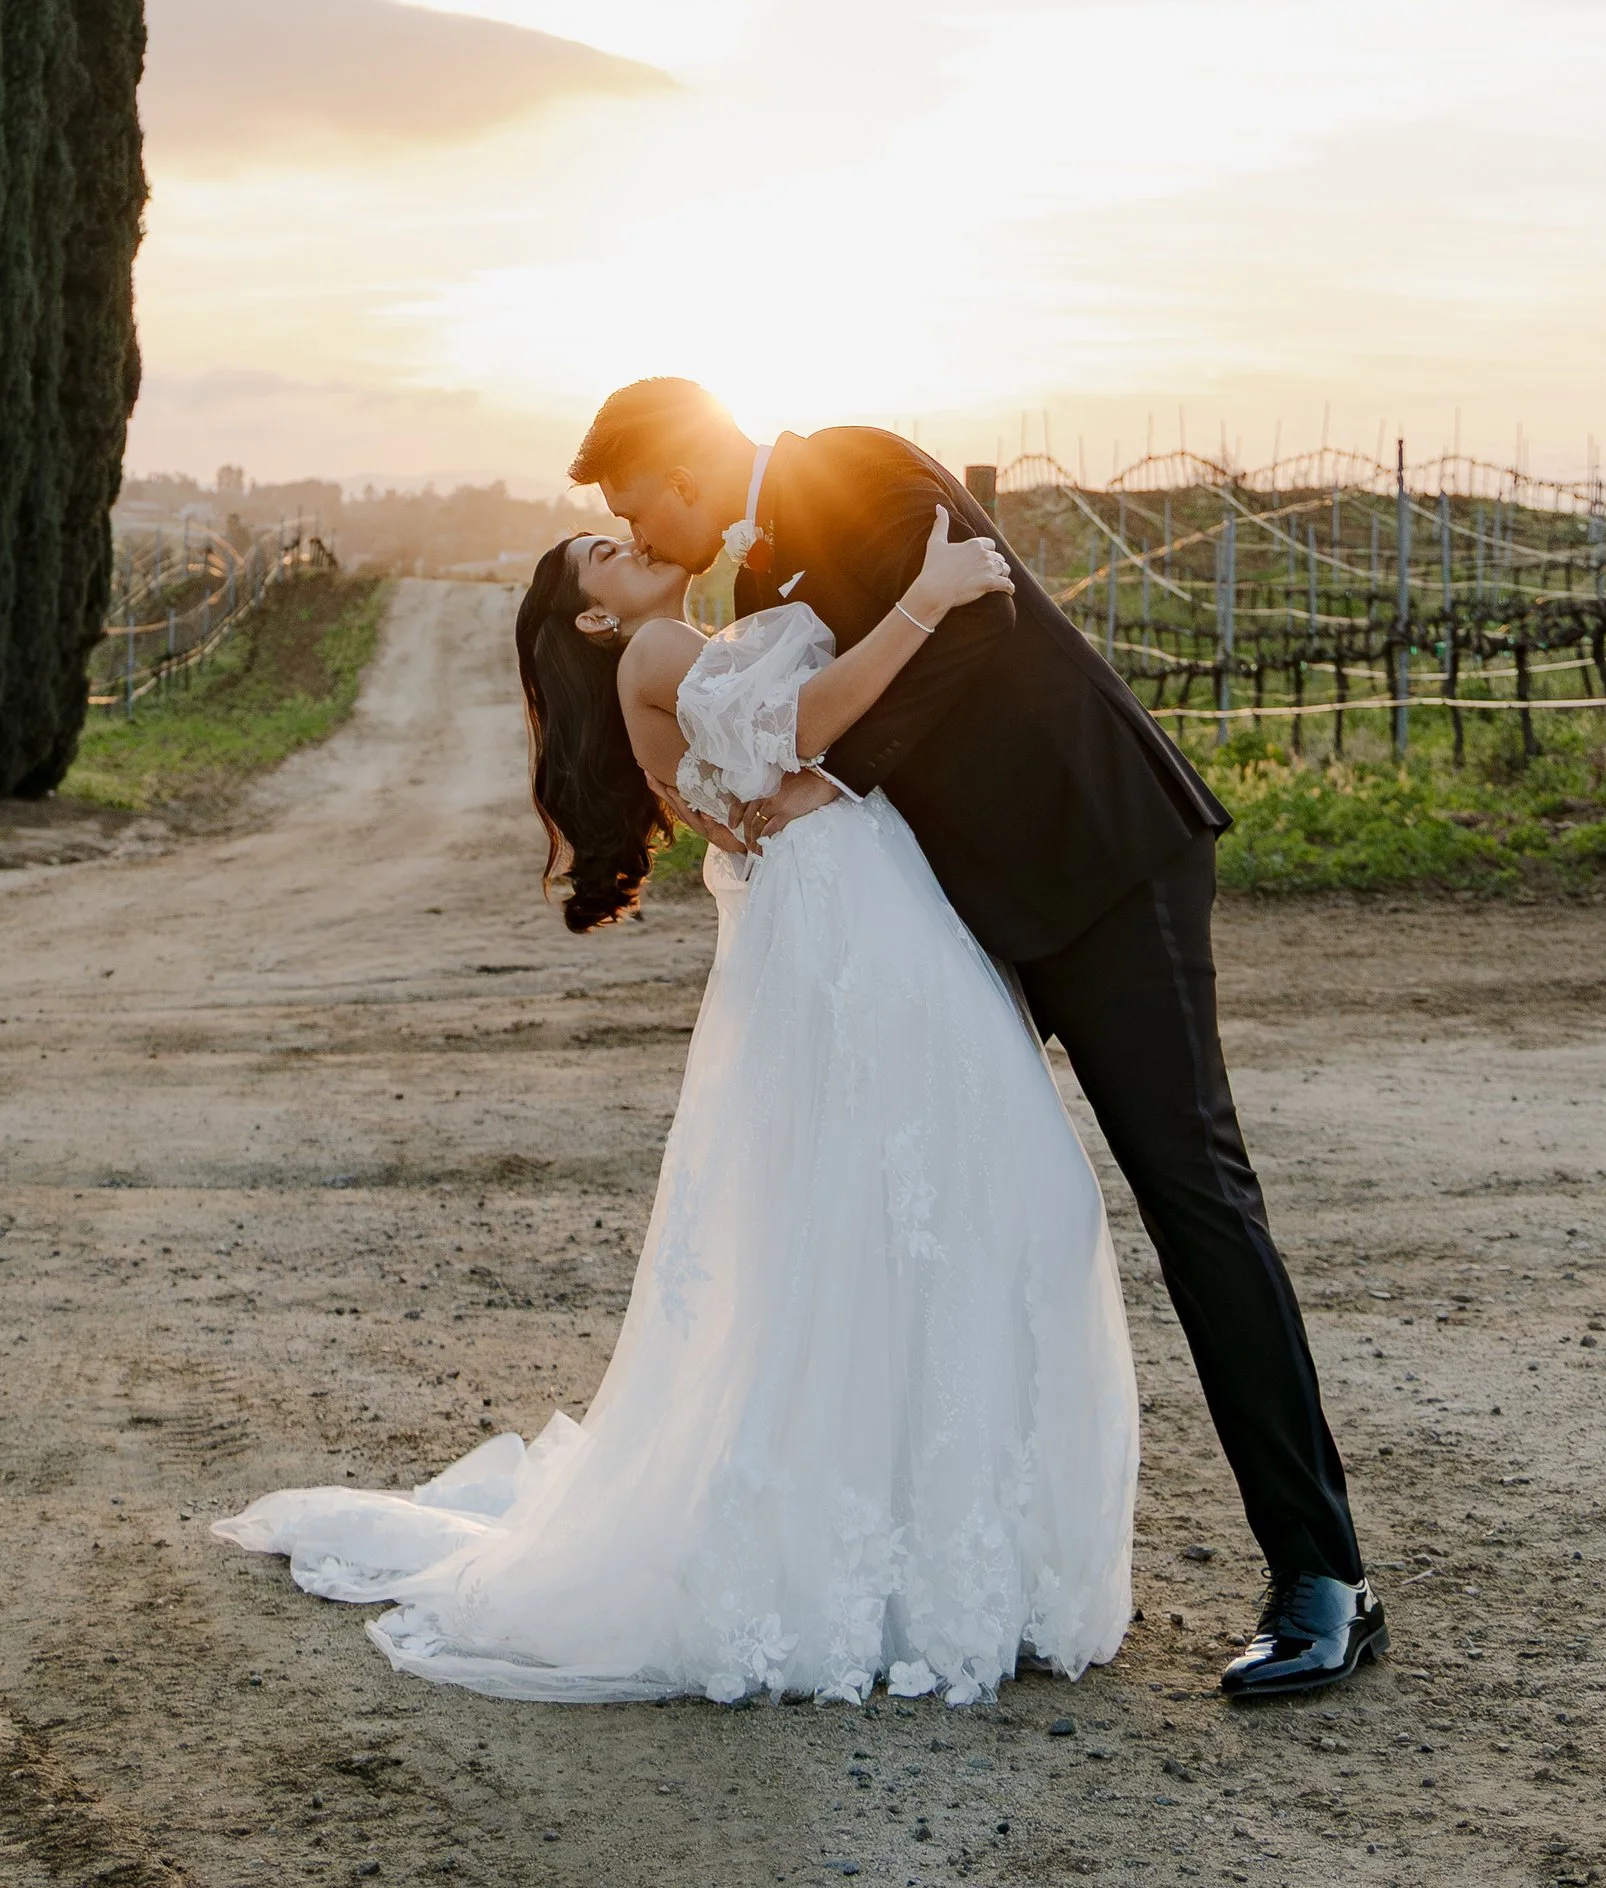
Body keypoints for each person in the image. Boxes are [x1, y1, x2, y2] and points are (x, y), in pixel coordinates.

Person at [214, 510, 1141, 1707]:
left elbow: (754, 772)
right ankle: (915, 1559)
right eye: (603, 550)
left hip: (844, 899)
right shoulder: (653, 651)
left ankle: (928, 1551)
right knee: (973, 1192)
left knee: (912, 1206)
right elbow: (802, 727)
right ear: (596, 615)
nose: (628, 537)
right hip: (850, 909)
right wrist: (933, 587)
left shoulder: (684, 645)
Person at [571, 377, 1380, 1704]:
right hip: (971, 917)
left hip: (1102, 860)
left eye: (635, 499)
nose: (647, 528)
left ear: (686, 456)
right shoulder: (769, 558)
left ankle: (1323, 1579)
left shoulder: (852, 461)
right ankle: (935, 1563)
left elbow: (978, 615)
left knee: (1193, 1193)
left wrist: (826, 774)